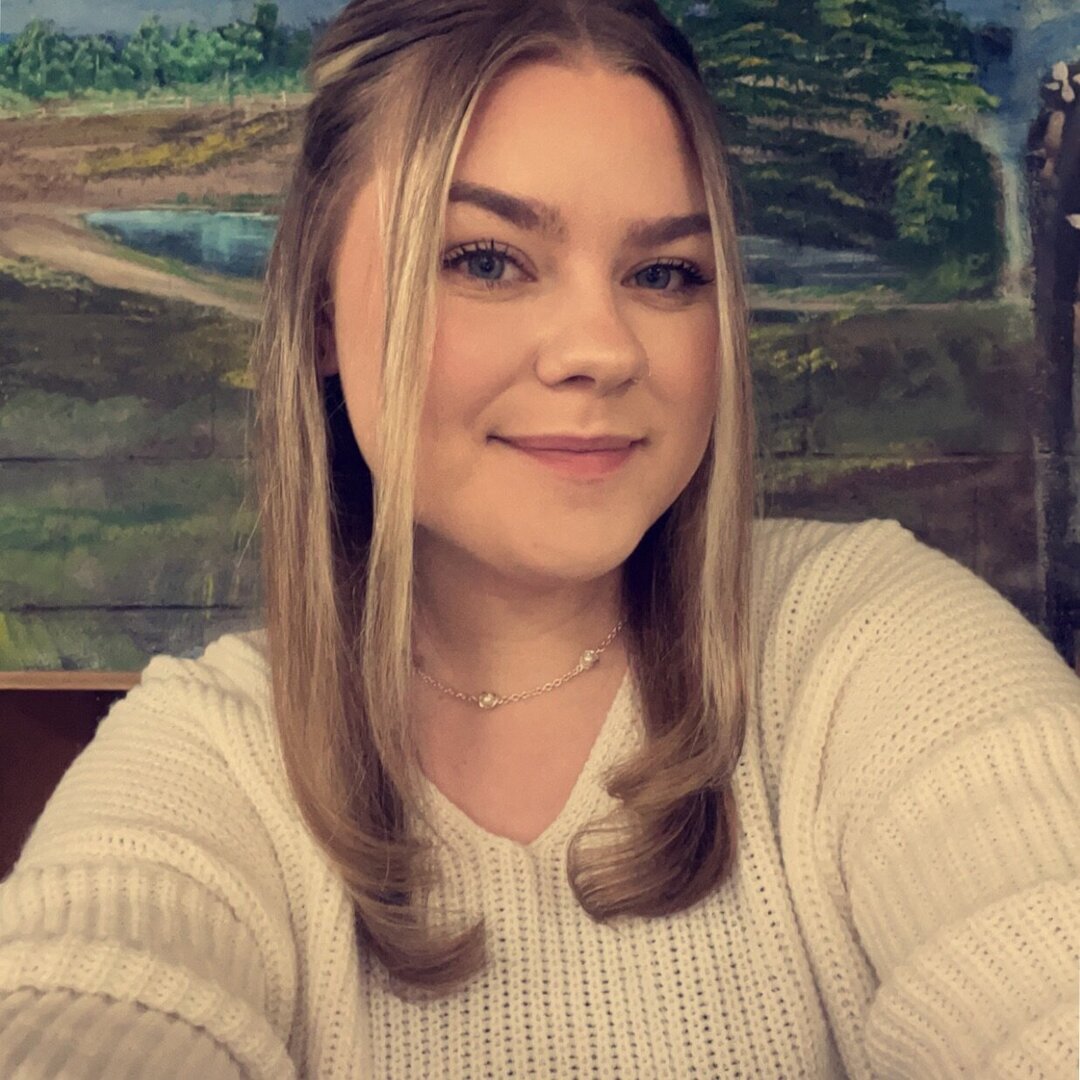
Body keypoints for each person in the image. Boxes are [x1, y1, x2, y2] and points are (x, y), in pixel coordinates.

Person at [1, 1, 1078, 1076]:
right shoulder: (209, 759)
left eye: (665, 273)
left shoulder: (866, 640)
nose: (602, 350)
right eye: (487, 260)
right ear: (323, 311)